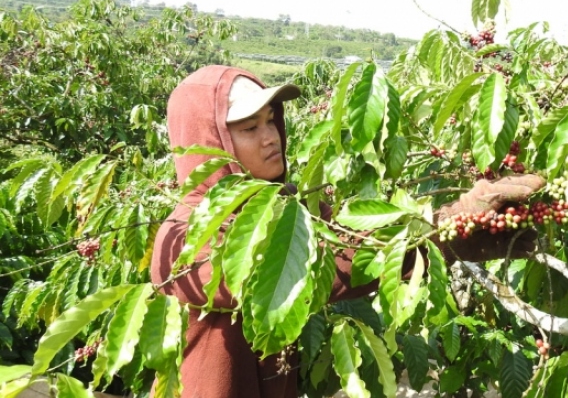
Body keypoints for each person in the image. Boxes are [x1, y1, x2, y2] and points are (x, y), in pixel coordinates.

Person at [150, 65, 545, 398]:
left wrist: (451, 238)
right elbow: (305, 270)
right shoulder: (184, 241)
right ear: (209, 143)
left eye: (271, 120)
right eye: (250, 128)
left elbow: (357, 247)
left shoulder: (290, 209)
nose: (271, 137)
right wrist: (443, 223)